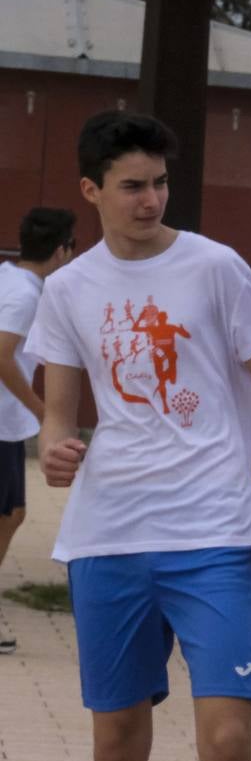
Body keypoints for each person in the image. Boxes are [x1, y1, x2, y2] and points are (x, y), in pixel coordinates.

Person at [26, 110, 251, 761]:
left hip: (215, 531)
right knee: (115, 746)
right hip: (110, 534)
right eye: (132, 186)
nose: (151, 200)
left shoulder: (216, 267)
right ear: (91, 190)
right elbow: (58, 413)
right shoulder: (70, 289)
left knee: (227, 741)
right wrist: (54, 450)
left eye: (161, 183)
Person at [0, 207, 76, 654]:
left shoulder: (9, 276)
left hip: (8, 426)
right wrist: (44, 410)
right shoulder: (26, 294)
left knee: (12, 514)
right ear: (62, 250)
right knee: (8, 516)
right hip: (3, 423)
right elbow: (2, 354)